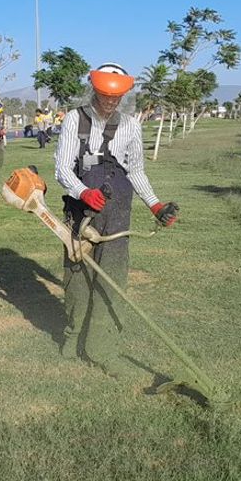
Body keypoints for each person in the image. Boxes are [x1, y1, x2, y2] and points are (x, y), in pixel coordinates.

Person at [54, 63, 178, 377]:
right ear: (94, 91)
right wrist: (83, 193)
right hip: (80, 211)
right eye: (104, 96)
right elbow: (62, 170)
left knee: (112, 278)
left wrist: (155, 205)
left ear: (123, 95)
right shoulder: (75, 120)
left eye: (116, 97)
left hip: (118, 210)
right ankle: (73, 338)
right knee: (77, 277)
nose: (110, 102)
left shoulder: (131, 126)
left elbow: (135, 170)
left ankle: (102, 349)